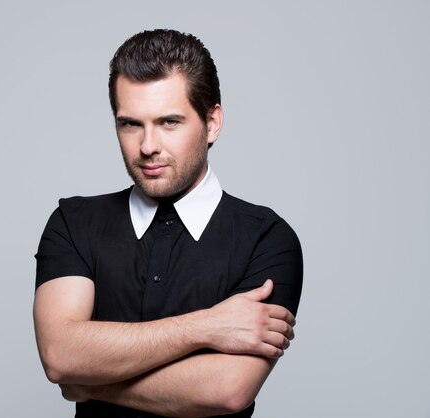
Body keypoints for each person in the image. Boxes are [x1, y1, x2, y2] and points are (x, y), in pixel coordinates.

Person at [33, 29, 303, 418]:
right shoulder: (74, 223)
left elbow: (227, 389)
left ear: (212, 123)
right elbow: (61, 355)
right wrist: (207, 326)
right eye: (130, 124)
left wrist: (90, 383)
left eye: (169, 122)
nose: (147, 146)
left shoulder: (266, 238)